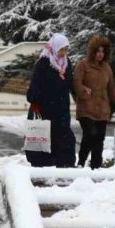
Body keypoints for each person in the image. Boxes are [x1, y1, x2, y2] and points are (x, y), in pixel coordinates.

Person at [73, 35, 115, 169]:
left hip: (102, 109)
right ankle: (81, 162)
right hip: (86, 109)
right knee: (90, 134)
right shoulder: (82, 65)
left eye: (103, 51)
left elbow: (112, 87)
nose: (100, 54)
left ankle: (96, 167)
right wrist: (84, 90)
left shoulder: (107, 68)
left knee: (99, 140)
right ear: (92, 51)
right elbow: (76, 83)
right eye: (98, 51)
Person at [26, 33, 76, 167]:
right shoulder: (43, 63)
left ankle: (64, 168)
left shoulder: (67, 63)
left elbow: (70, 83)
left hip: (62, 110)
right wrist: (37, 101)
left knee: (65, 141)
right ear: (54, 48)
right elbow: (35, 85)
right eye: (61, 49)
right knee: (43, 141)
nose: (63, 53)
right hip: (45, 110)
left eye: (66, 49)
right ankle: (43, 170)